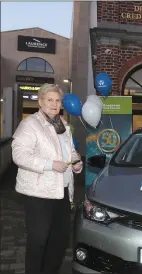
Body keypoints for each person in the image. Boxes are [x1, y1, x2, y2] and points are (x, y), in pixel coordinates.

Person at [11, 83, 83, 274]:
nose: (54, 104)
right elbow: (19, 155)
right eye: (49, 100)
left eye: (57, 100)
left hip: (62, 191)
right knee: (39, 240)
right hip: (38, 193)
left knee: (59, 241)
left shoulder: (63, 125)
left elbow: (71, 152)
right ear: (41, 102)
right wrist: (50, 164)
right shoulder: (30, 124)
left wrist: (76, 162)